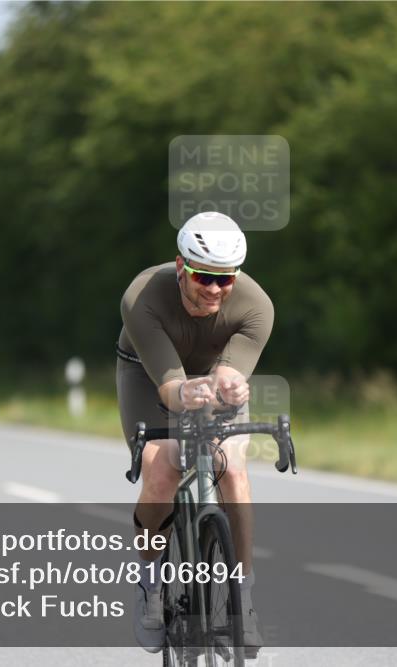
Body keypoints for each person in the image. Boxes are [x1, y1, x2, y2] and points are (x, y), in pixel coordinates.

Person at [117, 211, 274, 655]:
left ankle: (242, 598)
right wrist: (185, 390)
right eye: (204, 277)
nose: (214, 290)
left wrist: (231, 384)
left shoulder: (256, 305)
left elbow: (229, 374)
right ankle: (150, 584)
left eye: (225, 280)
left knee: (234, 470)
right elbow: (170, 389)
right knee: (163, 464)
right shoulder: (142, 296)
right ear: (182, 267)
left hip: (211, 377)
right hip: (150, 377)